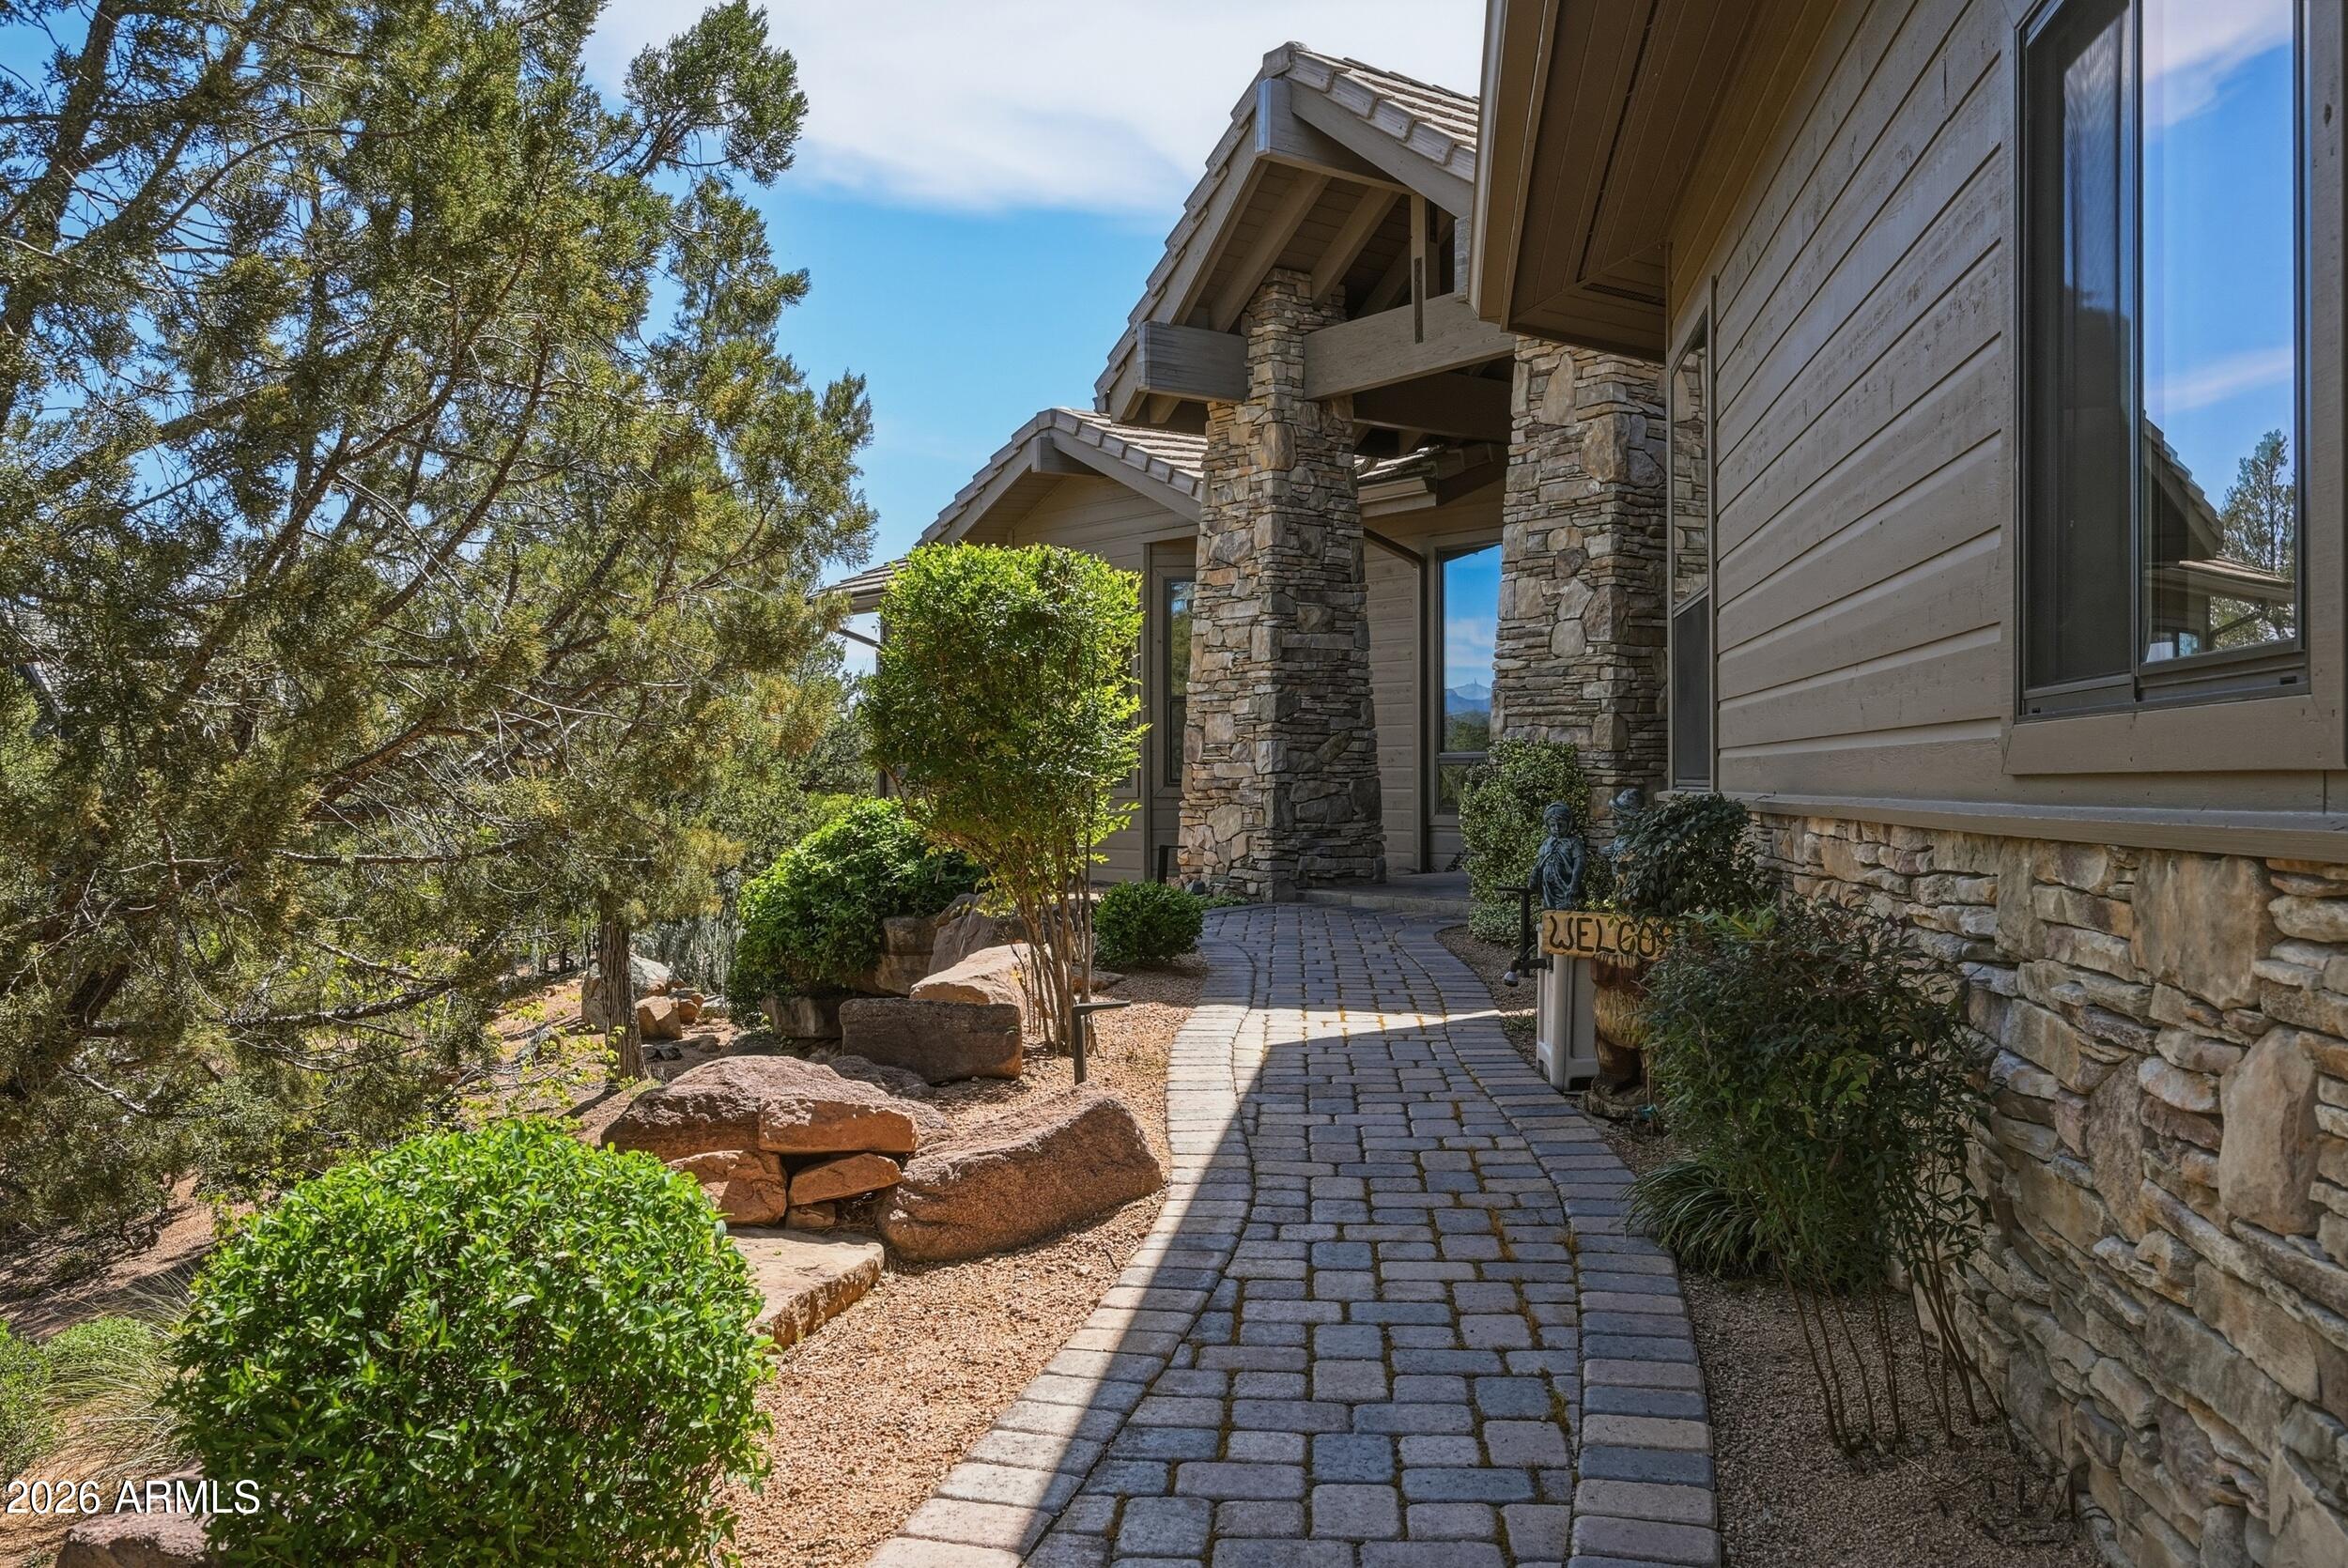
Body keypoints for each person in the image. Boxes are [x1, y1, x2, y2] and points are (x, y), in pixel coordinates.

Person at [1530, 800, 1585, 911]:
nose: (1557, 828)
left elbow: (1580, 862)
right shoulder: (1547, 842)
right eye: (1552, 825)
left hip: (1565, 883)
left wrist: (1575, 882)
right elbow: (1540, 861)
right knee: (1548, 908)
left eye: (1560, 825)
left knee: (1566, 907)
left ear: (1568, 823)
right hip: (1547, 884)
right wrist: (1534, 875)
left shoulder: (1574, 842)